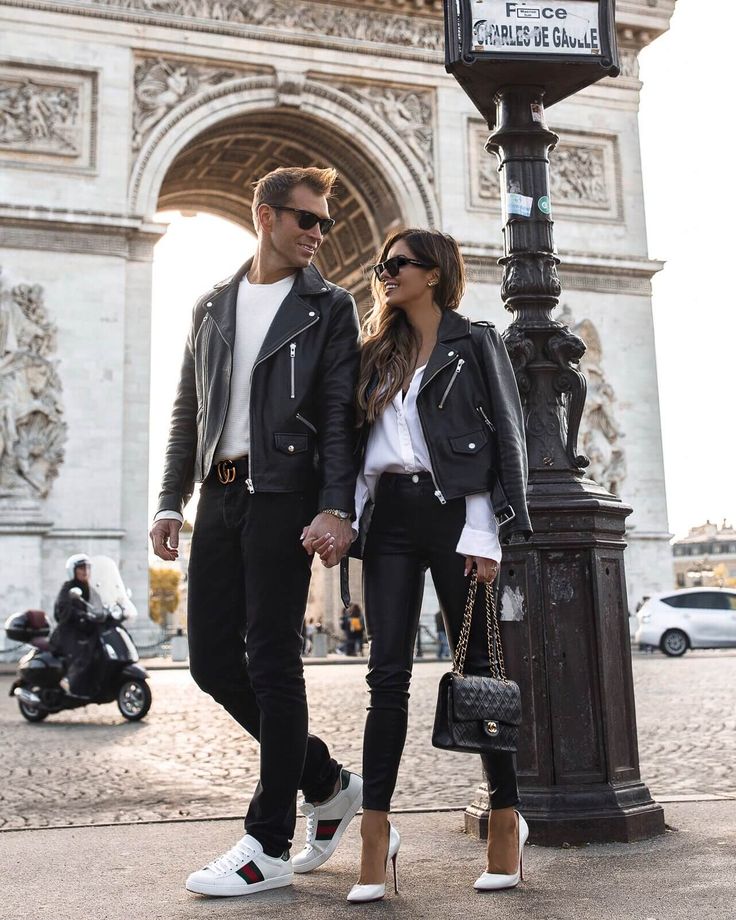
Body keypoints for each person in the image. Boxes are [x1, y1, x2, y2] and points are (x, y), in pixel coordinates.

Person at [149, 166, 363, 897]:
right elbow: (189, 413)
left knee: (273, 660)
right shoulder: (211, 305)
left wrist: (337, 505)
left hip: (284, 495)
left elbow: (339, 413)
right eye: (307, 219)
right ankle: (327, 781)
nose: (319, 234)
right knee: (211, 663)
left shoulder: (331, 306)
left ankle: (268, 841)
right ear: (265, 216)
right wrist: (170, 500)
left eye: (328, 224)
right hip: (219, 493)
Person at [313, 229, 531, 901]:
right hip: (391, 522)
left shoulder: (476, 342)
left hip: (453, 517)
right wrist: (342, 516)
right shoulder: (373, 353)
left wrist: (488, 533)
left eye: (398, 264)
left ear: (434, 273)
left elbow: (505, 436)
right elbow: (352, 449)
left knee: (480, 670)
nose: (384, 273)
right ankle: (375, 836)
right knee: (387, 678)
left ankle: (504, 819)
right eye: (380, 265)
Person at [50, 553, 102, 698]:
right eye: (80, 568)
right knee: (83, 651)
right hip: (68, 632)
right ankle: (69, 680)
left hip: (85, 629)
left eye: (87, 567)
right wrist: (78, 614)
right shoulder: (67, 588)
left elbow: (100, 603)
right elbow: (62, 608)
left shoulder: (90, 589)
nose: (85, 571)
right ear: (73, 571)